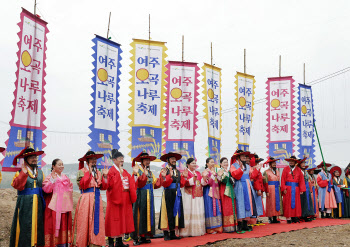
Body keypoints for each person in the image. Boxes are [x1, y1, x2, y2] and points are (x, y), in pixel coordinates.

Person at [9, 147, 46, 247]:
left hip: (38, 204)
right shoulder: (20, 172)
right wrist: (23, 173)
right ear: (26, 160)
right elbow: (16, 185)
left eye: (35, 157)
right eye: (31, 157)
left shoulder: (41, 173)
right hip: (25, 204)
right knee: (24, 225)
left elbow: (45, 188)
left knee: (38, 225)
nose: (34, 159)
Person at [72, 151, 108, 247]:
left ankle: (95, 243)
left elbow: (103, 187)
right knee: (84, 220)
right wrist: (89, 172)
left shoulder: (98, 172)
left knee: (96, 220)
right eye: (92, 159)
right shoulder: (82, 171)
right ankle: (83, 242)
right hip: (86, 198)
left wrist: (105, 176)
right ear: (87, 161)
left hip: (97, 197)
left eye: (95, 159)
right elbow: (82, 185)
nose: (94, 161)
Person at [105, 149, 137, 247]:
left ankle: (119, 242)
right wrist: (114, 176)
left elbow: (131, 182)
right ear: (114, 160)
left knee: (121, 220)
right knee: (113, 219)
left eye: (123, 159)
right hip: (114, 198)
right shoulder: (111, 171)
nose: (122, 161)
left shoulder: (124, 171)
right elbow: (108, 185)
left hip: (124, 198)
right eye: (120, 159)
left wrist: (135, 174)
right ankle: (111, 242)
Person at [131, 151, 162, 245]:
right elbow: (137, 183)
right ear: (141, 161)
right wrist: (143, 175)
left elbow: (155, 184)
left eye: (148, 160)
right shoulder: (137, 171)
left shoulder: (150, 172)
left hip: (149, 195)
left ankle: (145, 236)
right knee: (139, 216)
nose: (148, 162)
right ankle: (137, 237)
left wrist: (162, 177)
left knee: (148, 216)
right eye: (146, 160)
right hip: (141, 195)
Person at [42, 159, 73, 246]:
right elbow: (46, 190)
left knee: (64, 224)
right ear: (53, 166)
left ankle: (63, 243)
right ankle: (54, 244)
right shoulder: (49, 177)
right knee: (53, 225)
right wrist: (52, 180)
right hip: (53, 207)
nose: (61, 166)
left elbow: (70, 188)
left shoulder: (65, 177)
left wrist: (65, 193)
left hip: (64, 206)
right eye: (59, 164)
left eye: (62, 164)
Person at [230, 150, 260, 233]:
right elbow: (235, 175)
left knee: (248, 203)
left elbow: (252, 176)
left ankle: (245, 223)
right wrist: (240, 169)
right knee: (240, 204)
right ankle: (239, 224)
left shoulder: (247, 166)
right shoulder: (234, 166)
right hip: (239, 186)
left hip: (247, 186)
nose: (244, 158)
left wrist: (257, 170)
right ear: (238, 157)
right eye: (242, 156)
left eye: (244, 156)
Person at [158, 152, 185, 240]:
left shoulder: (177, 171)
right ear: (167, 160)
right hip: (168, 193)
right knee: (167, 212)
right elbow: (164, 184)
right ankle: (166, 233)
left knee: (175, 212)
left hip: (176, 193)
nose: (174, 160)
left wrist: (184, 177)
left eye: (175, 159)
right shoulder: (164, 171)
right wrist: (169, 176)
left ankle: (173, 233)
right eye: (172, 159)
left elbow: (181, 184)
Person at [179, 158, 206, 237]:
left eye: (195, 163)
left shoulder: (198, 172)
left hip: (198, 196)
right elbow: (184, 183)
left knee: (197, 211)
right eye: (192, 163)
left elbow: (202, 183)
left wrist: (204, 178)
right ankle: (187, 232)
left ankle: (197, 230)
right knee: (189, 212)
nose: (194, 165)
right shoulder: (185, 172)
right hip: (189, 196)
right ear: (188, 164)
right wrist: (193, 179)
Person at [281, 155, 306, 224]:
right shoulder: (285, 169)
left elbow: (301, 180)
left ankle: (295, 217)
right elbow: (282, 179)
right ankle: (288, 218)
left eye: (292, 161)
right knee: (287, 203)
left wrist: (302, 189)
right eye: (290, 161)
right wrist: (283, 188)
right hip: (288, 188)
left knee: (297, 203)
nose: (291, 162)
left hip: (296, 189)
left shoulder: (299, 170)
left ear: (295, 162)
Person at [202, 157, 223, 234]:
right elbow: (207, 183)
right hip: (209, 192)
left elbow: (218, 182)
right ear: (207, 163)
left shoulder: (215, 171)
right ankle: (211, 228)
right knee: (210, 208)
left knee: (217, 208)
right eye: (211, 162)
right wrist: (213, 175)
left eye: (213, 162)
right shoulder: (205, 172)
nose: (213, 163)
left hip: (216, 191)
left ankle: (218, 227)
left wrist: (219, 176)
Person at [218, 157, 236, 233]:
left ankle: (233, 225)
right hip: (224, 191)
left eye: (227, 162)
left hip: (231, 191)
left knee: (232, 207)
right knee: (226, 207)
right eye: (224, 162)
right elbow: (221, 180)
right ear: (221, 164)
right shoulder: (220, 171)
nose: (226, 164)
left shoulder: (229, 171)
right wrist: (225, 175)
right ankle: (227, 227)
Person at [263, 157, 283, 223]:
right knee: (271, 203)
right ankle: (270, 218)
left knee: (276, 203)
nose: (274, 164)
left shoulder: (277, 171)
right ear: (270, 164)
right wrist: (266, 191)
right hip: (270, 188)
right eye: (273, 163)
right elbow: (265, 182)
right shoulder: (266, 172)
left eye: (275, 163)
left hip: (277, 188)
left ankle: (275, 217)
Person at [248, 153, 265, 225]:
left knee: (257, 203)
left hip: (256, 187)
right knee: (254, 202)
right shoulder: (251, 169)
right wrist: (259, 189)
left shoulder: (255, 169)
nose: (258, 164)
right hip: (253, 186)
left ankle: (256, 218)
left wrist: (260, 188)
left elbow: (259, 179)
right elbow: (254, 178)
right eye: (256, 162)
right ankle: (253, 219)